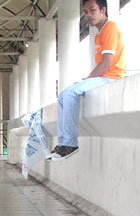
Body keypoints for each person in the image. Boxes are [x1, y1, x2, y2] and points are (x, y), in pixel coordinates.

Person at [50, 0, 126, 160]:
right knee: (64, 95)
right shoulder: (99, 34)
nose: (89, 15)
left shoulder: (110, 28)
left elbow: (107, 63)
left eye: (92, 10)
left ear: (103, 10)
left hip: (112, 77)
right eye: (86, 12)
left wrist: (87, 80)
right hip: (104, 77)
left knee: (71, 93)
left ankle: (70, 144)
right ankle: (62, 143)